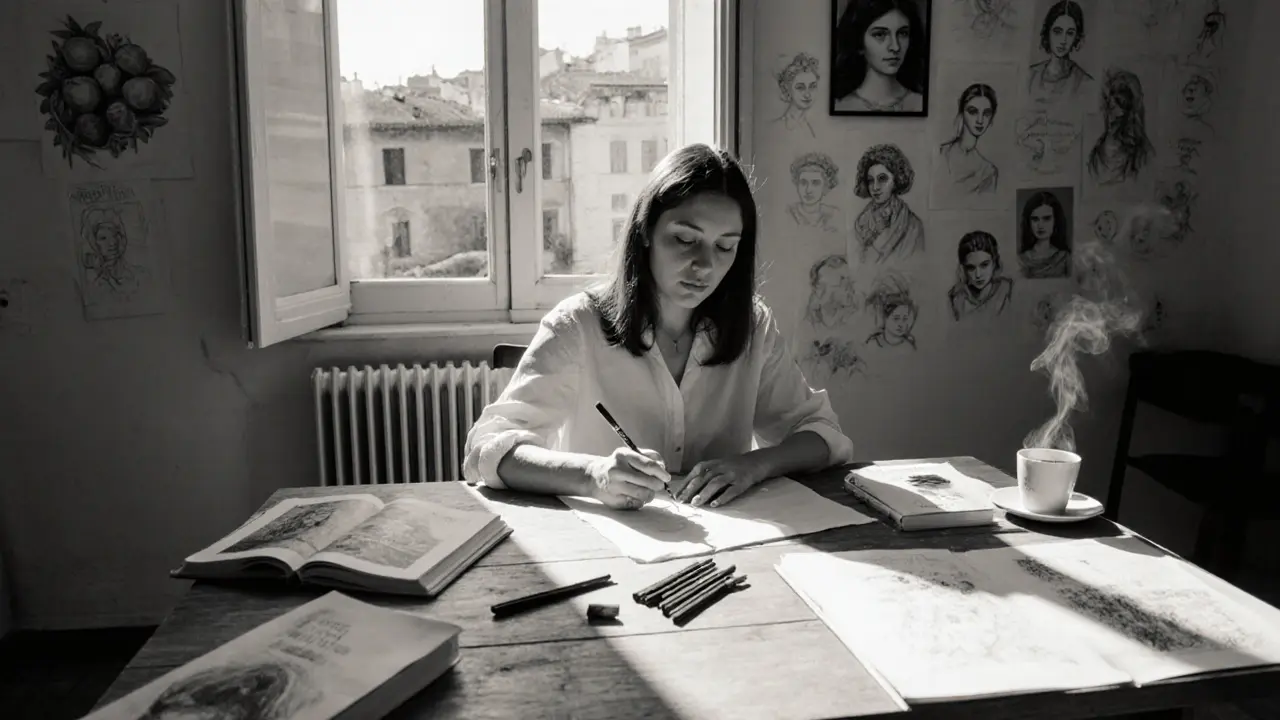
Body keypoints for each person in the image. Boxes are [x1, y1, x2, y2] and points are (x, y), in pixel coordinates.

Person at [463, 144, 854, 510]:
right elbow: (486, 449)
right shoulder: (578, 325)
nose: (704, 265)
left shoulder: (753, 326)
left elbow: (822, 432)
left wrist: (753, 465)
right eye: (686, 239)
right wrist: (591, 475)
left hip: (726, 547)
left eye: (725, 247)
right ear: (646, 231)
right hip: (606, 551)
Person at [831, 0, 927, 113]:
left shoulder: (921, 103)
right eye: (880, 34)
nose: (895, 47)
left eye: (903, 33)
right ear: (858, 42)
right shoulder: (841, 106)